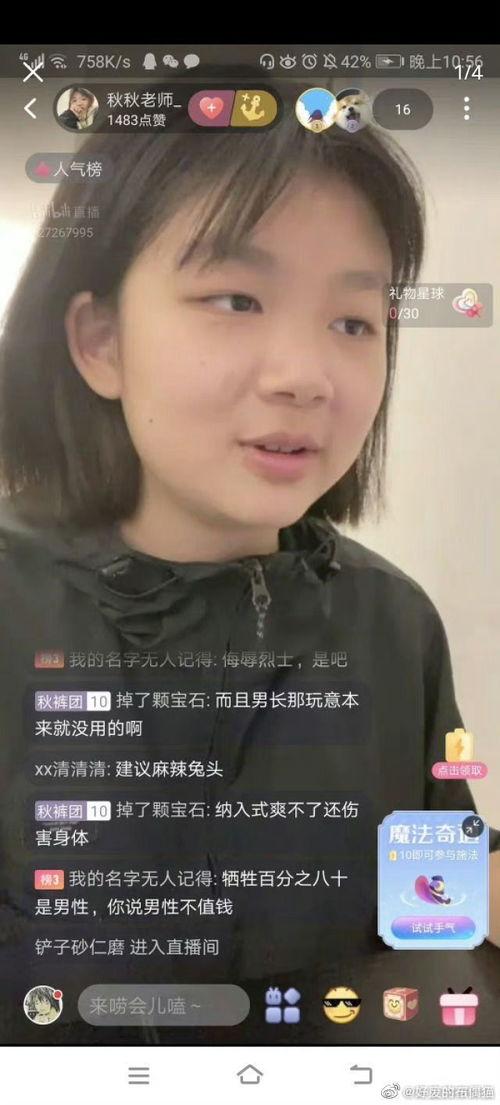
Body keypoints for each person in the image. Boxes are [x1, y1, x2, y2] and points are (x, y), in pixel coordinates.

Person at [0, 85, 499, 1047]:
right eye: (235, 299)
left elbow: (437, 903)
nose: (305, 374)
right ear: (100, 340)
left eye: (354, 321)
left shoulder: (395, 623)